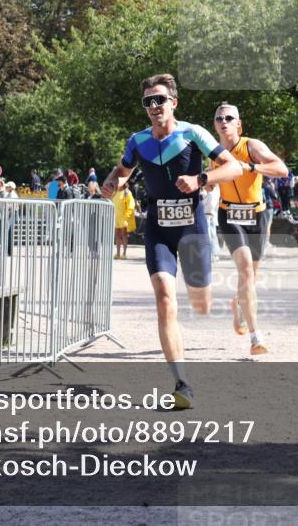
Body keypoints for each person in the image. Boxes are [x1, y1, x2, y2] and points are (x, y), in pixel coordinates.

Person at [100, 74, 242, 409]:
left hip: (192, 229)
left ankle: (230, 306)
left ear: (173, 102)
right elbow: (122, 171)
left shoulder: (192, 133)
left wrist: (200, 179)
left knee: (201, 305)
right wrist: (111, 184)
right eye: (148, 101)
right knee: (165, 298)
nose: (154, 106)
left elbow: (233, 168)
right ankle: (182, 383)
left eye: (160, 99)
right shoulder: (138, 141)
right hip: (158, 230)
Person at [209, 102, 288, 355]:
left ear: (238, 124)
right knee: (244, 271)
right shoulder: (213, 152)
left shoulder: (251, 146)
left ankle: (240, 304)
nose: (224, 121)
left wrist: (252, 167)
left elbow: (281, 169)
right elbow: (211, 180)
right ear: (215, 125)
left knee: (251, 277)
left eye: (229, 118)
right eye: (219, 118)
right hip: (229, 215)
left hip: (257, 216)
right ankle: (256, 337)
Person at [112, 182, 138, 260]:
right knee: (117, 234)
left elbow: (131, 205)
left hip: (124, 217)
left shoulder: (127, 193)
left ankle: (124, 253)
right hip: (116, 217)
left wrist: (126, 217)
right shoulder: (115, 192)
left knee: (124, 235)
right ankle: (118, 253)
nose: (118, 184)